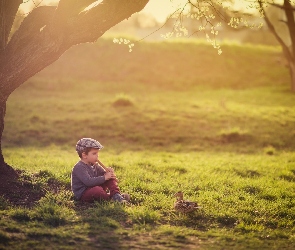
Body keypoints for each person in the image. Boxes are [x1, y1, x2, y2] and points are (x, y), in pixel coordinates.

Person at [71, 138, 129, 203]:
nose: (97, 156)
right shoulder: (79, 167)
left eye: (97, 153)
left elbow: (104, 175)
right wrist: (105, 177)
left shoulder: (95, 165)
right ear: (84, 155)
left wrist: (108, 173)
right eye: (94, 153)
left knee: (109, 178)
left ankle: (116, 195)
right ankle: (110, 199)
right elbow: (89, 182)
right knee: (97, 190)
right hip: (84, 194)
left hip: (95, 186)